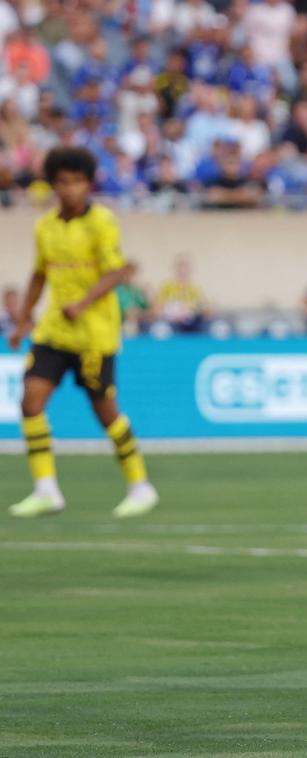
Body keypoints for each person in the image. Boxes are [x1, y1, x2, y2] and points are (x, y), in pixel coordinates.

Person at [6, 147, 159, 519]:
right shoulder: (45, 226)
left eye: (77, 181)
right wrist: (24, 319)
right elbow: (39, 273)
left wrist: (84, 303)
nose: (70, 189)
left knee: (105, 412)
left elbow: (115, 271)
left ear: (88, 184)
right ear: (54, 185)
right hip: (54, 331)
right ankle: (46, 490)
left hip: (94, 333)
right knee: (30, 401)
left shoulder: (101, 222)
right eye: (63, 182)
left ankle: (140, 485)